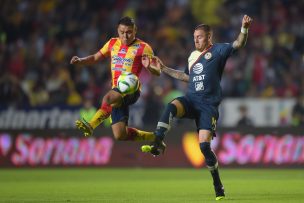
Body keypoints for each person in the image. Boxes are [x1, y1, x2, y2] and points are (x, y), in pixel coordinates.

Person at [141, 15, 252, 200]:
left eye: (199, 37)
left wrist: (244, 29)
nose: (196, 40)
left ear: (209, 37)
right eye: (194, 37)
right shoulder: (192, 56)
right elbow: (187, 77)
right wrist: (164, 68)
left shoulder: (218, 50)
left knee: (204, 147)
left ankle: (218, 184)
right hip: (191, 100)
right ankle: (158, 141)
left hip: (208, 106)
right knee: (171, 106)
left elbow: (238, 44)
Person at [70, 16, 160, 141]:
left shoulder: (144, 47)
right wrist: (81, 60)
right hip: (116, 90)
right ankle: (154, 137)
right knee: (120, 134)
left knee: (107, 98)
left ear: (135, 31)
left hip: (132, 89)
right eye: (122, 32)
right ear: (118, 30)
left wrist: (149, 67)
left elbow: (157, 72)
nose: (125, 36)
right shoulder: (112, 43)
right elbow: (96, 57)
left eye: (129, 32)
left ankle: (91, 125)